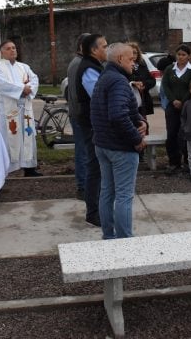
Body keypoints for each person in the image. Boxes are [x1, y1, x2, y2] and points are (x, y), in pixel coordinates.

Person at [90, 43, 148, 240]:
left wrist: (140, 121)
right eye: (131, 59)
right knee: (123, 195)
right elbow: (117, 115)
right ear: (120, 59)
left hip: (103, 145)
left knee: (107, 192)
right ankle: (124, 242)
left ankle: (109, 236)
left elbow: (122, 111)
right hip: (120, 147)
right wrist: (136, 139)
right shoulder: (118, 81)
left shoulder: (104, 77)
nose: (134, 64)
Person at [0, 40, 40, 177]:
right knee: (9, 136)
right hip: (8, 110)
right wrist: (22, 88)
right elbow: (1, 84)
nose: (12, 50)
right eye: (8, 48)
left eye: (14, 48)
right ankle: (8, 168)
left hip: (25, 108)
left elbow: (34, 79)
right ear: (2, 52)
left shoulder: (24, 67)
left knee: (27, 135)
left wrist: (29, 89)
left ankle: (29, 167)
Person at [75, 33, 108, 227]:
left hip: (95, 123)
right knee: (94, 168)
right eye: (104, 46)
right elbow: (98, 96)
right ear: (94, 50)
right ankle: (93, 213)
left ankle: (98, 207)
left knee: (98, 167)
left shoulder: (95, 66)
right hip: (91, 125)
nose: (107, 48)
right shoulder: (88, 69)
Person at [160, 44, 191, 174]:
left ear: (188, 56)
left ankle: (187, 161)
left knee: (185, 134)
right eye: (179, 54)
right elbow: (165, 85)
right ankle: (173, 162)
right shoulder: (170, 69)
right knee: (172, 134)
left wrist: (182, 101)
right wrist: (173, 100)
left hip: (186, 107)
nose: (180, 57)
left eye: (183, 55)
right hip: (172, 106)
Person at [67, 32, 91, 200]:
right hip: (80, 116)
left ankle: (85, 185)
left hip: (80, 114)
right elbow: (76, 94)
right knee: (82, 151)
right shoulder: (79, 64)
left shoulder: (82, 62)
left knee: (86, 151)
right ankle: (82, 187)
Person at [127, 42, 156, 117]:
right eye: (131, 53)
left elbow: (152, 80)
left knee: (143, 124)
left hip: (143, 100)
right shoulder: (125, 67)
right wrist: (134, 84)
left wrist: (143, 84)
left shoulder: (142, 65)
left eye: (135, 53)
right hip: (130, 100)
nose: (133, 55)